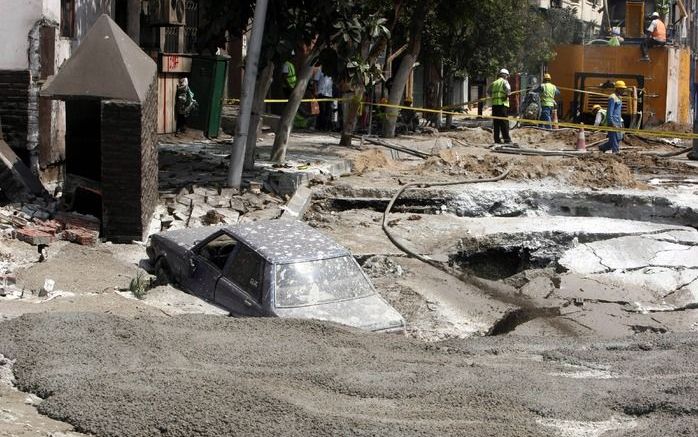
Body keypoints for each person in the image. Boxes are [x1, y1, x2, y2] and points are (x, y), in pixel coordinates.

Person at [599, 81, 626, 154]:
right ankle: (616, 153)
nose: (623, 90)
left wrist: (620, 122)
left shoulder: (619, 98)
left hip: (618, 121)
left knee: (618, 138)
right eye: (622, 89)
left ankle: (602, 147)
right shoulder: (612, 97)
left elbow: (618, 112)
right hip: (613, 122)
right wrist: (611, 122)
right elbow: (610, 111)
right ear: (617, 89)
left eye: (624, 89)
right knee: (614, 139)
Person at [487, 68, 512, 144]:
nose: (507, 77)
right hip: (502, 105)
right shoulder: (504, 82)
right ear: (505, 75)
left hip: (495, 105)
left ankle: (497, 140)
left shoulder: (494, 83)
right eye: (507, 76)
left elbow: (488, 91)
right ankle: (507, 140)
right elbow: (508, 90)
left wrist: (494, 97)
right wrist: (507, 94)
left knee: (496, 123)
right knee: (504, 123)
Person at [312, 66, 333, 131]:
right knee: (322, 110)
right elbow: (315, 81)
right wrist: (315, 91)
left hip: (329, 94)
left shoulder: (333, 70)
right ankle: (320, 126)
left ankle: (326, 127)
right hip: (321, 93)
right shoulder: (320, 69)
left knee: (328, 111)